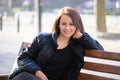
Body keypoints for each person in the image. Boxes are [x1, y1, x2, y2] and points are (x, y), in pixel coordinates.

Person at [8, 6, 104, 80]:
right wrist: (37, 71)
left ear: (77, 25)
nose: (67, 28)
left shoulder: (78, 46)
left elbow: (100, 50)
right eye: (64, 24)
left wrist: (82, 36)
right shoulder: (43, 38)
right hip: (28, 75)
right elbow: (23, 58)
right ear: (58, 24)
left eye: (72, 24)